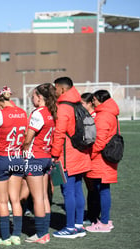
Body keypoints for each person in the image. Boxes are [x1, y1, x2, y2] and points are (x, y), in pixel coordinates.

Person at [51, 76, 91, 239]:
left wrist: (54, 154)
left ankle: (69, 227)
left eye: (55, 88)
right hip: (81, 154)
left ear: (61, 89)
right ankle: (78, 225)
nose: (54, 91)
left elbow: (59, 133)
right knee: (77, 190)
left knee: (68, 192)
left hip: (67, 156)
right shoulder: (78, 105)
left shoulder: (63, 108)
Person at [0, 86, 27, 246]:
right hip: (18, 157)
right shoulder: (23, 112)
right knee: (15, 200)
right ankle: (16, 235)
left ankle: (5, 237)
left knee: (2, 201)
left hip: (2, 157)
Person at [22, 83, 57, 244]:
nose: (32, 98)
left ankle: (41, 234)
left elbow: (29, 137)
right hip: (46, 156)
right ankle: (45, 232)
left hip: (35, 157)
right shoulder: (52, 112)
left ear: (40, 97)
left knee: (37, 198)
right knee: (43, 197)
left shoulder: (38, 113)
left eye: (34, 95)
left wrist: (23, 147)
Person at [85, 90, 119, 233]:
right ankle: (105, 220)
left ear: (98, 100)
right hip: (106, 158)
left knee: (103, 189)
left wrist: (89, 156)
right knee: (103, 189)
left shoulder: (103, 116)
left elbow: (99, 141)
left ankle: (104, 222)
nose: (93, 103)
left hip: (101, 159)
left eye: (94, 100)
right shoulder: (110, 114)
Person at [81, 92, 97, 225]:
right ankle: (91, 214)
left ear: (90, 103)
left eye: (82, 104)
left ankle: (93, 216)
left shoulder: (93, 117)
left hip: (92, 156)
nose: (80, 106)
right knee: (90, 188)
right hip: (87, 156)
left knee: (93, 188)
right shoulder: (86, 116)